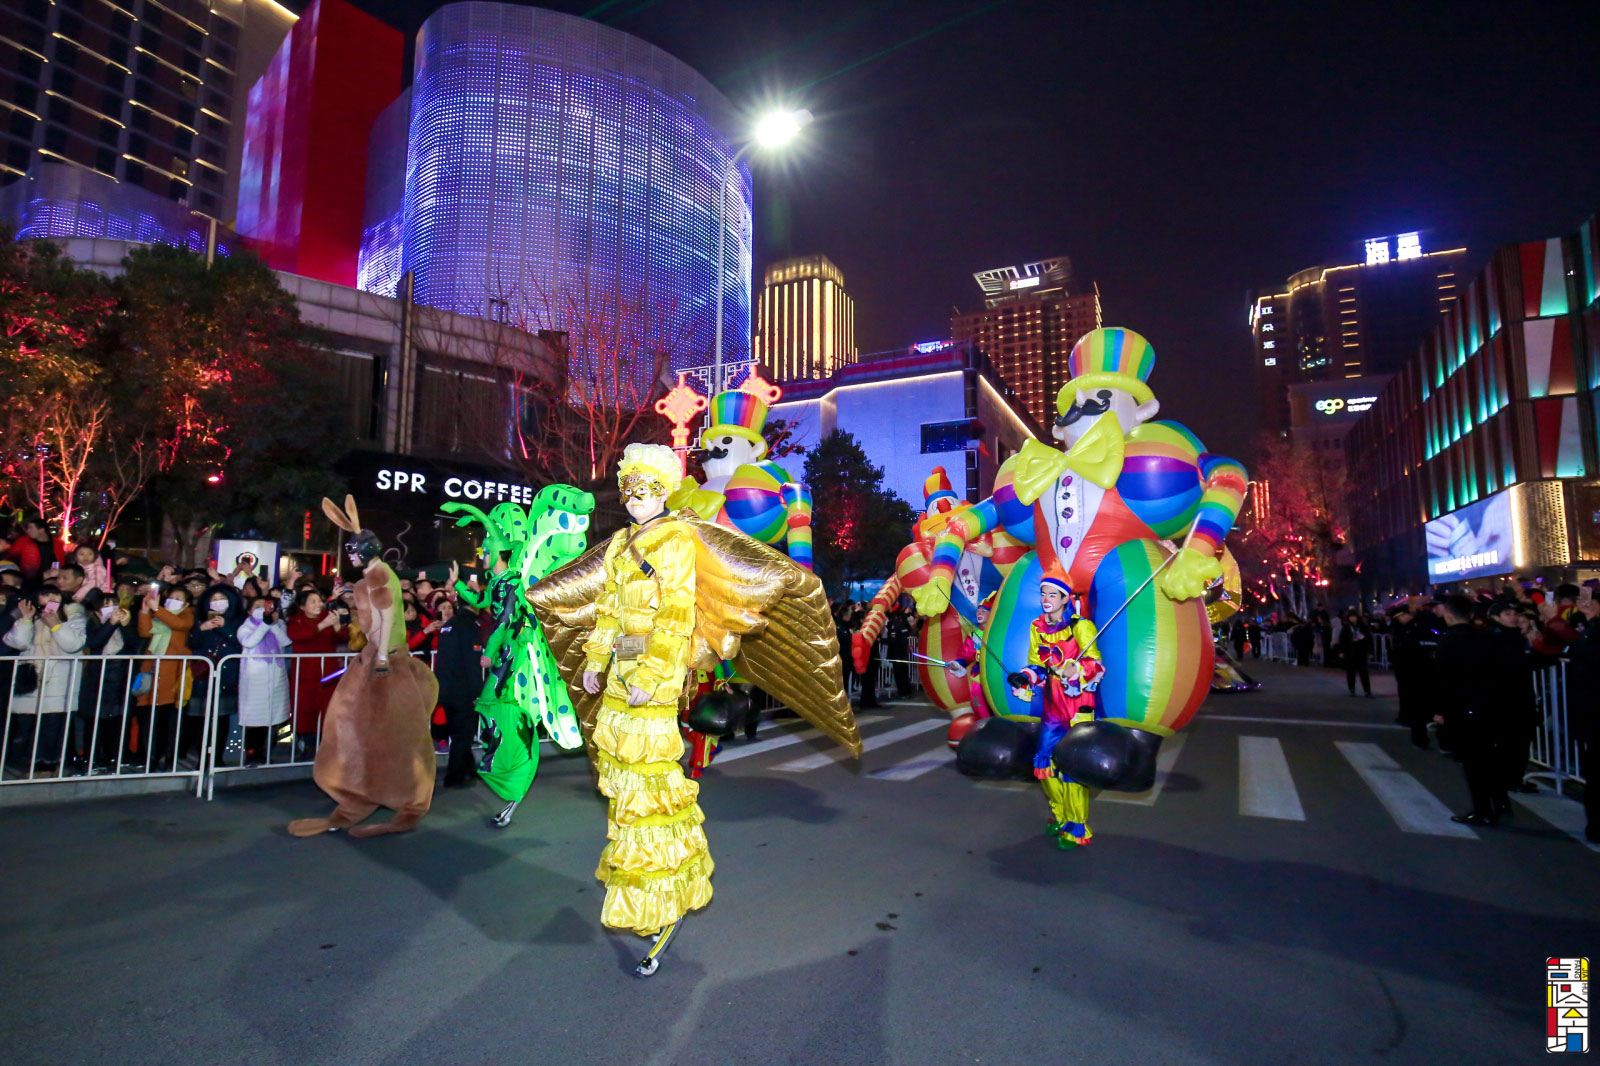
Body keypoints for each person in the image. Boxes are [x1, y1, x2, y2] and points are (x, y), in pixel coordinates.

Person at [287, 496, 438, 838]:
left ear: (368, 550)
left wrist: (382, 657)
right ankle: (357, 796)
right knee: (358, 728)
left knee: (392, 733)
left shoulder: (379, 575)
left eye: (355, 549)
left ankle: (407, 802)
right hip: (375, 658)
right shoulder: (369, 576)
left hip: (386, 661)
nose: (351, 555)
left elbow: (384, 618)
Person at [1007, 566, 1105, 850]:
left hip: (1077, 703)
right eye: (1043, 594)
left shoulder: (1081, 627)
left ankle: (1076, 826)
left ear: (1065, 599)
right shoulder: (1036, 627)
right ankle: (1061, 816)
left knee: (1072, 766)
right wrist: (1024, 677)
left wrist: (1077, 668)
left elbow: (1095, 663)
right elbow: (1037, 665)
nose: (1046, 599)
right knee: (1044, 760)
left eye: (1052, 594)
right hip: (1052, 704)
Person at [1432, 594, 1508, 826]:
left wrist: (1440, 709)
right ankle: (1500, 802)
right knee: (1489, 756)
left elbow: (1444, 678)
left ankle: (1483, 810)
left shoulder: (1449, 640)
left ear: (1449, 614)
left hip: (1462, 706)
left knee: (1473, 762)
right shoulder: (1488, 637)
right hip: (1490, 704)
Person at [3, 586, 87, 775]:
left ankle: (48, 765)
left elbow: (74, 645)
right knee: (26, 726)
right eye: (45, 594)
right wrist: (25, 620)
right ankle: (25, 764)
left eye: (54, 593)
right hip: (30, 680)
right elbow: (17, 642)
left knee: (53, 725)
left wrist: (56, 626)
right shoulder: (31, 615)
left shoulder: (74, 616)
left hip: (58, 682)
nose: (50, 598)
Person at [74, 588, 138, 774]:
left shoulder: (125, 623)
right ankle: (92, 759)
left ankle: (114, 758)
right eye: (106, 606)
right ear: (96, 611)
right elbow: (95, 643)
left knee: (117, 720)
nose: (112, 609)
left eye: (115, 604)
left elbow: (134, 644)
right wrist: (110, 624)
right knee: (94, 721)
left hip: (120, 678)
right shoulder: (92, 624)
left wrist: (125, 625)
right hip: (96, 679)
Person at [134, 583, 194, 772]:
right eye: (171, 597)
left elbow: (178, 625)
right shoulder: (158, 615)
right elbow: (145, 631)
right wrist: (145, 611)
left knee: (171, 719)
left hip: (173, 672)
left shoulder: (186, 615)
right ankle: (150, 757)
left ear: (186, 604)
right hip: (152, 670)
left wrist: (157, 609)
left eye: (178, 599)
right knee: (149, 717)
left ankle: (170, 757)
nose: (173, 601)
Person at [285, 588, 348, 759]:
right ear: (302, 606)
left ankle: (327, 746)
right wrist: (322, 625)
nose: (318, 604)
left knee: (328, 707)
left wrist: (337, 625)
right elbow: (298, 635)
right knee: (306, 709)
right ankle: (308, 746)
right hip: (305, 673)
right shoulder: (296, 620)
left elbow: (342, 637)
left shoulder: (327, 616)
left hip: (328, 672)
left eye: (319, 601)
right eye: (313, 601)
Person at [188, 584, 246, 766]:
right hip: (202, 676)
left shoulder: (239, 621)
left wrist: (225, 627)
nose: (217, 602)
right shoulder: (200, 620)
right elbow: (192, 643)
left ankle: (217, 758)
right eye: (214, 599)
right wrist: (201, 629)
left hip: (227, 675)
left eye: (222, 599)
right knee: (201, 718)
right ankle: (202, 759)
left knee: (221, 718)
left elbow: (241, 643)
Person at [1485, 597, 1537, 800]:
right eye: (1507, 614)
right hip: (1504, 699)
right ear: (1495, 617)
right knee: (1508, 741)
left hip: (1520, 697)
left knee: (1519, 741)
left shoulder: (1516, 637)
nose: (1513, 617)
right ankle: (1507, 779)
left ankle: (1512, 778)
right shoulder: (1494, 638)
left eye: (1515, 614)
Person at [431, 596, 482, 788]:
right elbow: (472, 662)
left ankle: (468, 768)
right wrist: (477, 692)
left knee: (459, 732)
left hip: (446, 688)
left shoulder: (449, 625)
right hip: (463, 689)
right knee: (463, 734)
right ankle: (454, 777)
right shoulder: (469, 626)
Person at [236, 597, 292, 765]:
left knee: (275, 717)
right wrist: (264, 625)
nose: (262, 609)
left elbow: (286, 641)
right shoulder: (245, 627)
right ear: (249, 611)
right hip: (254, 679)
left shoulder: (279, 624)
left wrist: (272, 624)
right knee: (254, 719)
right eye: (257, 606)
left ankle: (269, 752)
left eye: (266, 606)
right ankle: (252, 753)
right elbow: (249, 642)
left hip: (276, 678)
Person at [1389, 601, 1440, 748]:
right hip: (1419, 670)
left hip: (1416, 670)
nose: (1400, 619)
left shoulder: (1415, 629)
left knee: (1417, 704)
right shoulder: (1410, 628)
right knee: (1418, 702)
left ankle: (1420, 735)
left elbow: (1405, 650)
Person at [1338, 610, 1373, 697]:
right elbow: (1342, 640)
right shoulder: (1346, 627)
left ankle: (1367, 691)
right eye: (1350, 617)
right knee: (1350, 672)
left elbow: (1369, 639)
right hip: (1350, 652)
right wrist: (1341, 651)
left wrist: (1369, 651)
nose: (1352, 618)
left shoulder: (1363, 626)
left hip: (1361, 652)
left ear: (1357, 617)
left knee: (1364, 673)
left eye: (1354, 616)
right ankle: (1352, 689)